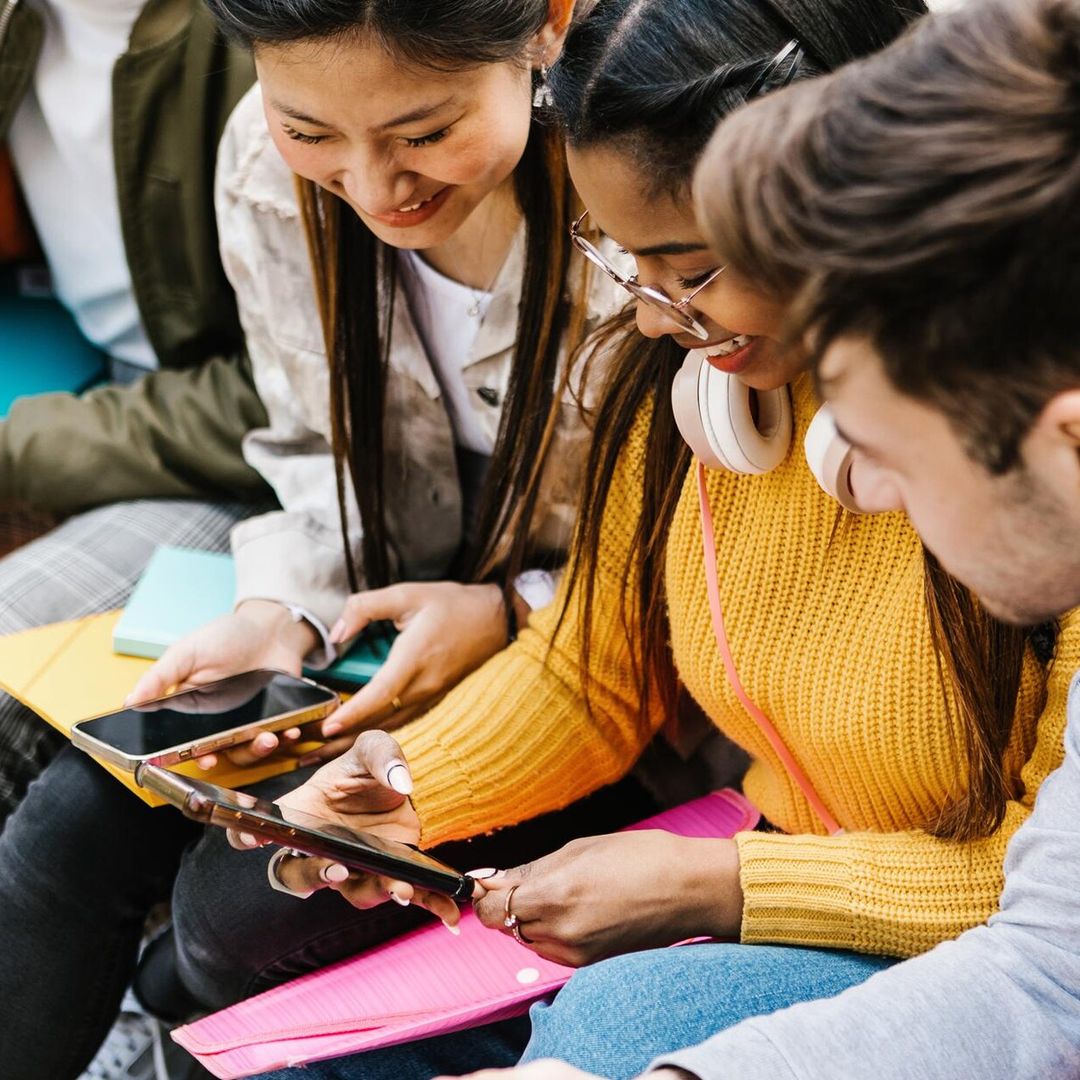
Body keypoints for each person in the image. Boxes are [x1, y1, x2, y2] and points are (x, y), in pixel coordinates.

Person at [233, 0, 1071, 1076]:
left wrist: (720, 891)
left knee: (615, 1023)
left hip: (939, 917)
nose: (652, 316)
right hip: (772, 850)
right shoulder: (693, 399)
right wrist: (404, 791)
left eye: (694, 271)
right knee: (238, 927)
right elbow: (590, 668)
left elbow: (1045, 928)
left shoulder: (1023, 478)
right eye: (629, 264)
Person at [0, 3, 658, 1077]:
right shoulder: (264, 163)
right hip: (378, 627)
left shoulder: (633, 197)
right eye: (315, 130)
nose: (374, 183)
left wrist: (507, 610)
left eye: (424, 130)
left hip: (592, 664)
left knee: (230, 917)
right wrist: (282, 610)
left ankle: (167, 1011)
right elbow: (306, 437)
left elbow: (690, 554)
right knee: (70, 829)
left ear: (547, 22)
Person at [0, 0, 271, 822]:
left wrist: (17, 448)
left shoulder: (254, 43)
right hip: (84, 383)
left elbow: (287, 403)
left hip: (250, 470)